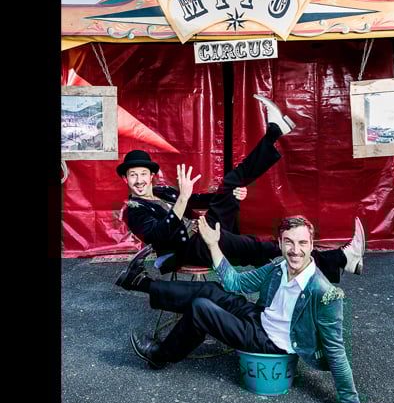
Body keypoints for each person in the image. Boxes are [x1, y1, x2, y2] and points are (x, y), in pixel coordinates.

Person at [116, 214, 394, 403]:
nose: (295, 251)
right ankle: (141, 283)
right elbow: (234, 283)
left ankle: (160, 355)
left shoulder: (324, 293)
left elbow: (336, 350)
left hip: (271, 342)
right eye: (289, 242)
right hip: (260, 318)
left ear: (312, 245)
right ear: (280, 242)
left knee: (201, 309)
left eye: (302, 243)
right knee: (212, 290)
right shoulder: (278, 267)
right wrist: (213, 244)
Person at [116, 94, 364, 283]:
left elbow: (199, 199)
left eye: (143, 174)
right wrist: (182, 200)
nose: (139, 180)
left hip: (205, 231)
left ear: (151, 176)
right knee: (260, 248)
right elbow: (160, 235)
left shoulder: (162, 192)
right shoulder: (133, 209)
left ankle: (274, 132)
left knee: (231, 184)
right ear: (126, 179)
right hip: (188, 249)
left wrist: (229, 196)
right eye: (133, 175)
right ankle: (340, 259)